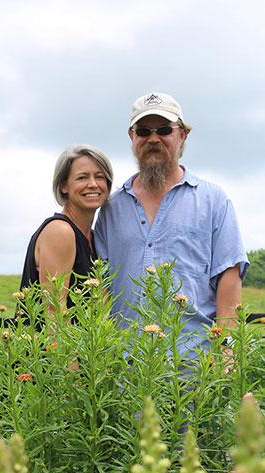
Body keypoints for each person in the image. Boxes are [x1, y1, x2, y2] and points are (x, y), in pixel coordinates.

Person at [94, 92, 249, 356]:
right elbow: (103, 286)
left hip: (194, 366)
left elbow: (229, 277)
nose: (153, 138)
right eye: (143, 130)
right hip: (126, 367)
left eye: (164, 129)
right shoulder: (111, 208)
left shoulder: (213, 201)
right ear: (132, 137)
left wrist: (227, 349)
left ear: (182, 136)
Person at [20, 144, 113, 315]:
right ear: (64, 186)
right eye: (82, 178)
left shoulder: (93, 238)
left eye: (99, 177)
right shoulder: (60, 231)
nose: (93, 184)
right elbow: (54, 309)